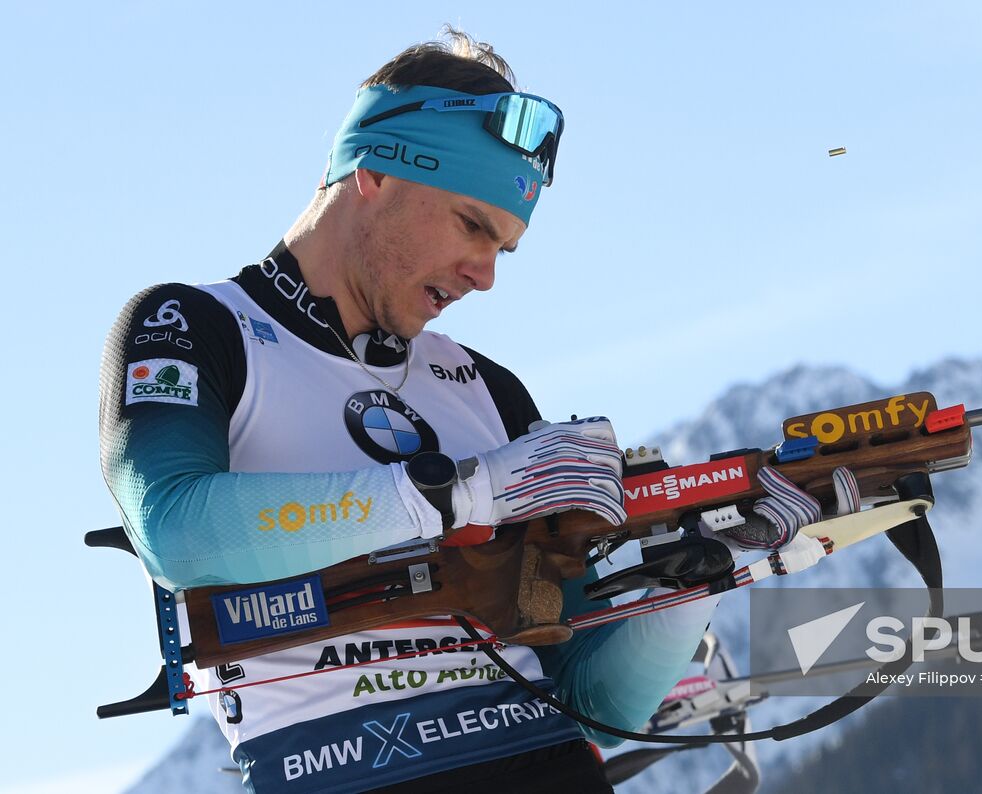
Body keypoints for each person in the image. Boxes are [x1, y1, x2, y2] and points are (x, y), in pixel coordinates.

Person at [99, 28, 831, 793]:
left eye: (505, 249)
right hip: (340, 770)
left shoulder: (488, 387)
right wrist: (465, 493)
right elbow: (177, 531)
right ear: (375, 172)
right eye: (472, 225)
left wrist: (698, 578)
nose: (483, 276)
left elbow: (593, 699)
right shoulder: (194, 326)